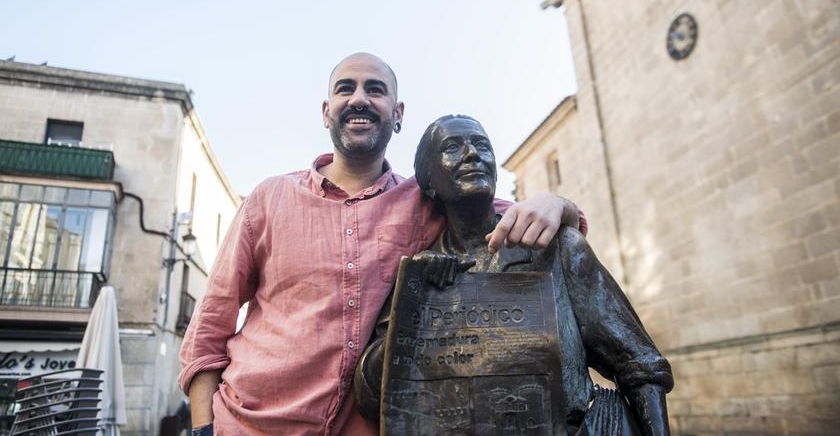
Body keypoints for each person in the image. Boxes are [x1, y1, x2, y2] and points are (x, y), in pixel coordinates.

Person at [179, 54, 585, 435]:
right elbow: (209, 330)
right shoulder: (268, 199)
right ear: (326, 112)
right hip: (253, 425)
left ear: (398, 115)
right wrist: (203, 429)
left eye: (374, 89)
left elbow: (519, 218)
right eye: (345, 89)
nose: (359, 99)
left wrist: (556, 203)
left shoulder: (426, 200)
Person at [354, 115, 673, 435]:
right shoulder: (420, 274)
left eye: (482, 146)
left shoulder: (556, 249)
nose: (472, 153)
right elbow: (369, 395)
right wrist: (414, 307)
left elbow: (640, 366)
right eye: (452, 147)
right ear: (428, 183)